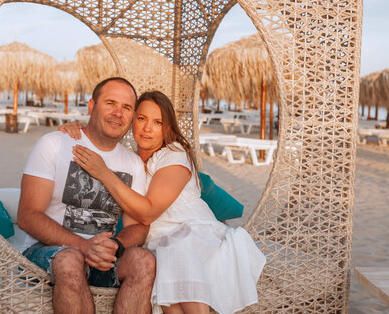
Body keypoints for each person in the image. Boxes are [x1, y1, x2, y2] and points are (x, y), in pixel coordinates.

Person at [59, 91, 266, 314]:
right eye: (142, 119)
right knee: (168, 287)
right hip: (158, 243)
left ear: (166, 128)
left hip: (192, 234)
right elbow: (131, 217)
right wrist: (74, 129)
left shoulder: (174, 154)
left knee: (178, 253)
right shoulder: (131, 162)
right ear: (131, 121)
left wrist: (104, 173)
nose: (148, 128)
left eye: (157, 122)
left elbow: (148, 213)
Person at [17, 77, 156, 314]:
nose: (118, 113)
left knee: (144, 261)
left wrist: (115, 245)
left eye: (126, 107)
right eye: (110, 103)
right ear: (91, 106)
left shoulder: (133, 163)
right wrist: (82, 245)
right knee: (71, 259)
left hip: (103, 257)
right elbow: (28, 215)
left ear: (132, 116)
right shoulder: (54, 144)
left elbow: (139, 226)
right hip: (49, 251)